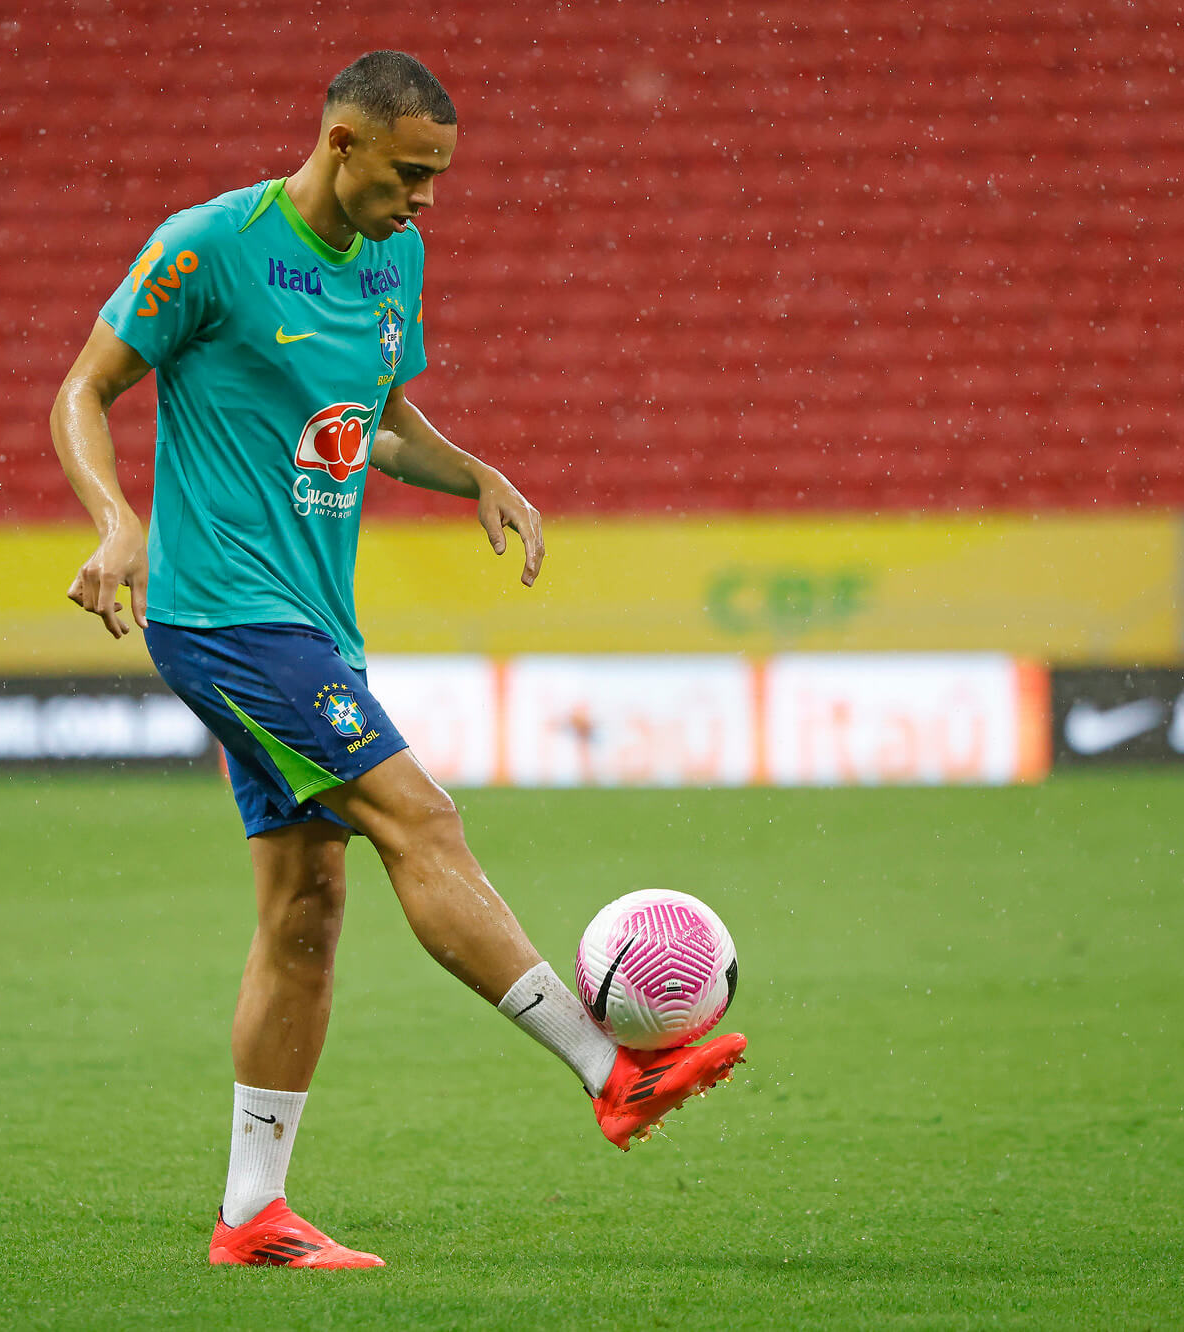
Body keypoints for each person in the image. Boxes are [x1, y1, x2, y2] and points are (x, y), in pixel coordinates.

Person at [48, 50, 745, 1270]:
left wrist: (476, 471)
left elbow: (375, 419)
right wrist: (118, 522)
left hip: (313, 623)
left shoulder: (393, 260)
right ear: (339, 144)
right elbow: (84, 388)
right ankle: (609, 1070)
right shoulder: (208, 246)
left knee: (305, 910)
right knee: (420, 816)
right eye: (410, 175)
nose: (425, 202)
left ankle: (250, 1215)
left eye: (436, 180)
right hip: (220, 614)